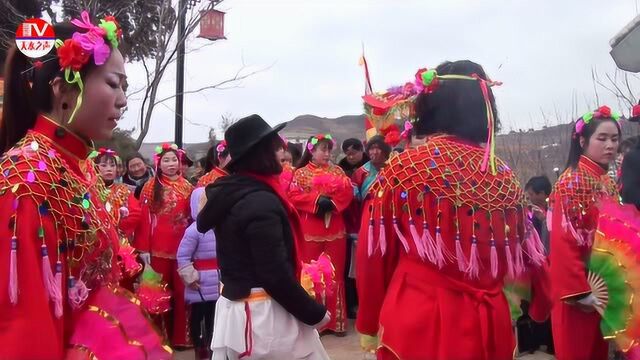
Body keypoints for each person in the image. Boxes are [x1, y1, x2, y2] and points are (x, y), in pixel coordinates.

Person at [0, 13, 170, 359]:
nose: (123, 99)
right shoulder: (26, 177)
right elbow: (23, 325)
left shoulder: (80, 165)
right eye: (113, 83)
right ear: (64, 89)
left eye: (124, 86)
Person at [356, 61, 550, 360]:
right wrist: (540, 306)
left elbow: (374, 253)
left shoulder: (405, 168)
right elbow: (528, 257)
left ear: (430, 103)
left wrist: (368, 321)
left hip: (419, 320)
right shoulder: (504, 176)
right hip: (490, 322)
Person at [197, 114, 330, 359]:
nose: (282, 151)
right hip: (263, 314)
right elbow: (274, 273)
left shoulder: (237, 193)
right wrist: (314, 313)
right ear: (261, 154)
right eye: (275, 147)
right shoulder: (258, 201)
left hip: (243, 306)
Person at [549, 105, 621, 360]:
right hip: (579, 293)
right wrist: (579, 291)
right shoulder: (571, 182)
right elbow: (562, 240)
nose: (610, 145)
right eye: (602, 138)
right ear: (582, 141)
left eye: (614, 139)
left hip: (602, 287)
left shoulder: (607, 182)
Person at [289, 134, 354, 336]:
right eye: (323, 149)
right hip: (309, 231)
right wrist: (317, 201)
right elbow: (293, 195)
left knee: (336, 275)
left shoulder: (338, 171)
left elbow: (347, 193)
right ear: (311, 150)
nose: (327, 153)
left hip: (335, 230)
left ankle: (336, 322)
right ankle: (315, 321)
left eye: (329, 149)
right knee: (311, 275)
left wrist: (332, 203)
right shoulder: (299, 174)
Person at [136, 142, 194, 347]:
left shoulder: (188, 187)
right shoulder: (150, 187)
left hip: (183, 250)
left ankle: (182, 338)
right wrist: (143, 249)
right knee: (157, 294)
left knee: (183, 294)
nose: (171, 164)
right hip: (156, 250)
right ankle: (158, 338)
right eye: (166, 160)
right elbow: (143, 218)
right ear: (158, 163)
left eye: (174, 160)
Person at [177, 187, 219, 360]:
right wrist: (190, 277)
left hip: (218, 278)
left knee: (214, 315)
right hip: (200, 280)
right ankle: (199, 347)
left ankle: (212, 345)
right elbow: (183, 255)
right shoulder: (194, 230)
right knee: (198, 315)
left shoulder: (220, 226)